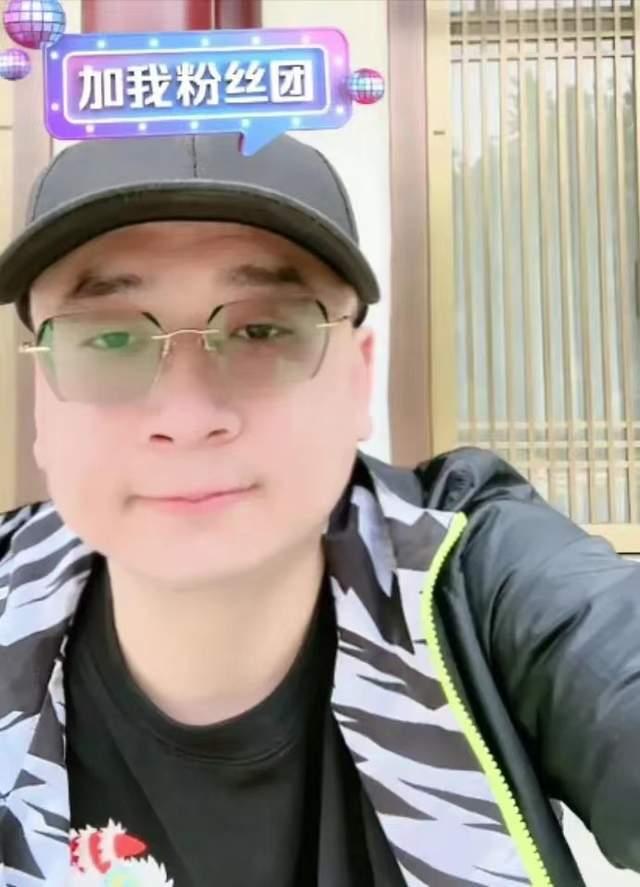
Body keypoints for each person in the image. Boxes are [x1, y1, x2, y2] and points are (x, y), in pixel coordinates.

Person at [0, 132, 637, 887]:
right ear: (42, 399)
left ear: (358, 381)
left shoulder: (476, 581)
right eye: (109, 338)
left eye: (263, 331)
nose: (187, 415)